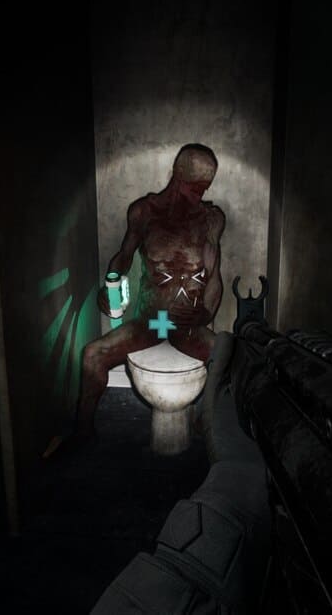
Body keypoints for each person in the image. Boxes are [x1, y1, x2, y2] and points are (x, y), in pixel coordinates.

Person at [75, 144, 225, 439]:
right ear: (178, 174)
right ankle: (82, 433)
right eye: (194, 187)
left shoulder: (211, 219)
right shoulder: (143, 212)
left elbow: (214, 275)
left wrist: (206, 315)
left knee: (229, 360)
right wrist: (110, 285)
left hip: (189, 326)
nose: (200, 195)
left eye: (205, 188)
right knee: (92, 355)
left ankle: (205, 423)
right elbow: (124, 256)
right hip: (149, 322)